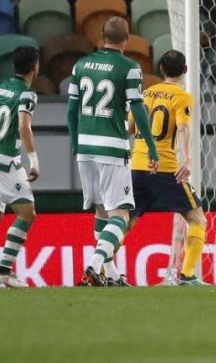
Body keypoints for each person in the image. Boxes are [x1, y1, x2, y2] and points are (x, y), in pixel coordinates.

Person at [68, 17, 159, 287]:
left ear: (102, 37)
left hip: (85, 146)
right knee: (121, 215)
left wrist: (75, 143)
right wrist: (151, 146)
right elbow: (138, 109)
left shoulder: (80, 65)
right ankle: (93, 267)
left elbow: (71, 109)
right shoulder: (130, 67)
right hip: (112, 147)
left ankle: (113, 275)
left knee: (101, 212)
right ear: (126, 38)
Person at [126, 50, 208, 286]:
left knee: (127, 221)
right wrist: (188, 160)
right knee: (197, 219)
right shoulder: (182, 97)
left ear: (161, 69)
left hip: (138, 165)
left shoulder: (145, 93)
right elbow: (183, 128)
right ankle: (188, 275)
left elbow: (130, 128)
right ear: (185, 70)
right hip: (164, 169)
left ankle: (99, 268)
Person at [0, 47, 41, 288]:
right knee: (27, 214)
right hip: (4, 161)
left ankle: (3, 272)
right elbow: (23, 128)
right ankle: (4, 271)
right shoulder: (27, 95)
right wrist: (34, 161)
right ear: (35, 67)